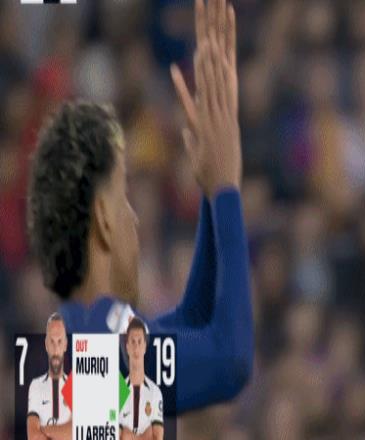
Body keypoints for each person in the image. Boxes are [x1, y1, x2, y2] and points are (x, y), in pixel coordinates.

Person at [27, 0, 252, 413]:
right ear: (103, 221)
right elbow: (231, 360)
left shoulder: (90, 333)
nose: (134, 216)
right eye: (124, 197)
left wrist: (210, 190)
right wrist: (226, 190)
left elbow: (193, 322)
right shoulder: (95, 365)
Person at [27, 313, 71, 440]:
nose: (56, 349)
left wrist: (42, 430)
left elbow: (75, 432)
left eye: (59, 341)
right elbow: (33, 436)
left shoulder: (74, 385)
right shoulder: (36, 385)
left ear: (65, 345)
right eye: (52, 341)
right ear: (46, 344)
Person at [120, 317, 163, 440]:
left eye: (139, 342)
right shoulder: (119, 390)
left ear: (145, 346)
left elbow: (157, 436)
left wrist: (128, 435)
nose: (136, 347)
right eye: (133, 342)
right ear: (127, 347)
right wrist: (143, 436)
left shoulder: (155, 392)